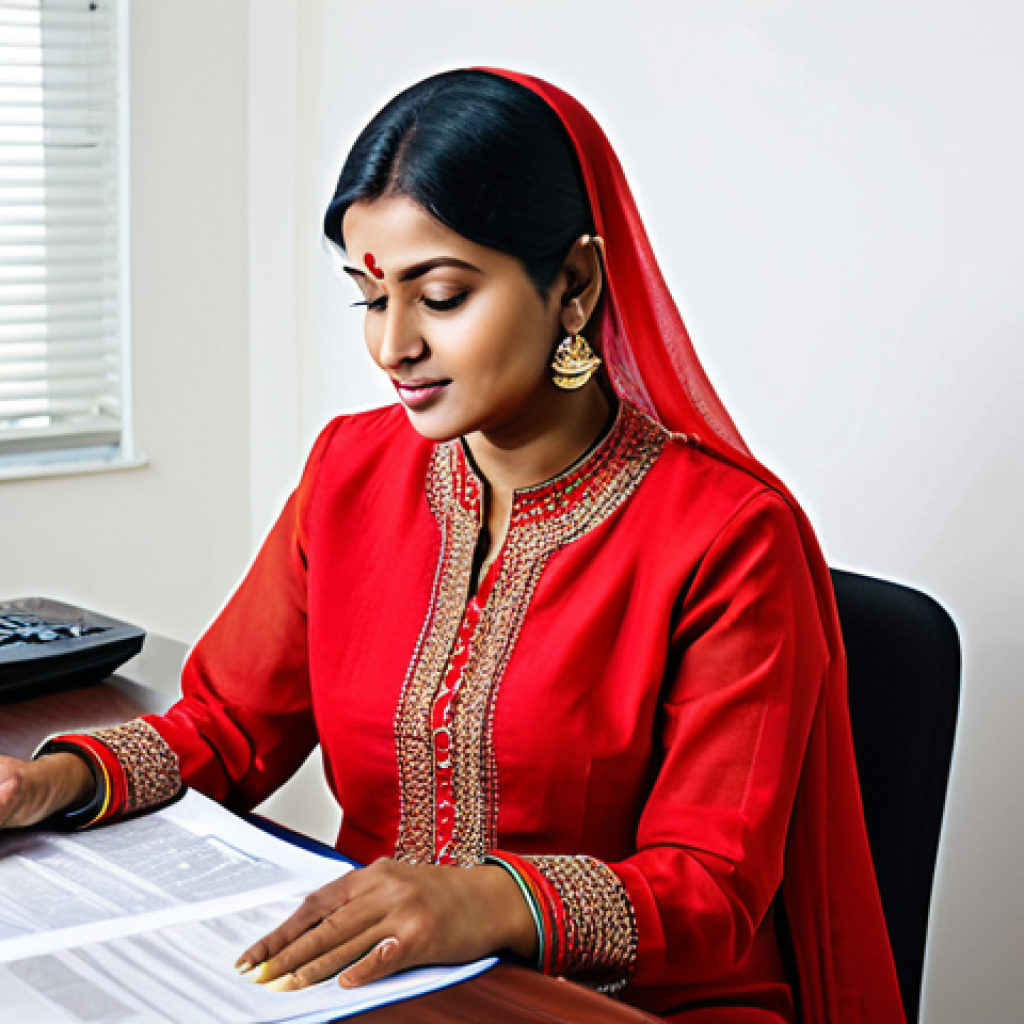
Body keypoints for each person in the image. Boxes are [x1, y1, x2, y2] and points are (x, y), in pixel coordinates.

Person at [0, 69, 905, 1023]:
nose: (392, 345)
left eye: (440, 295)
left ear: (576, 284)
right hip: (383, 984)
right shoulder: (350, 471)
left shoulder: (728, 536)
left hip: (634, 1004)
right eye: (368, 298)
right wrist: (52, 780)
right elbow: (234, 722)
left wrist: (485, 898)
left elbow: (710, 886)